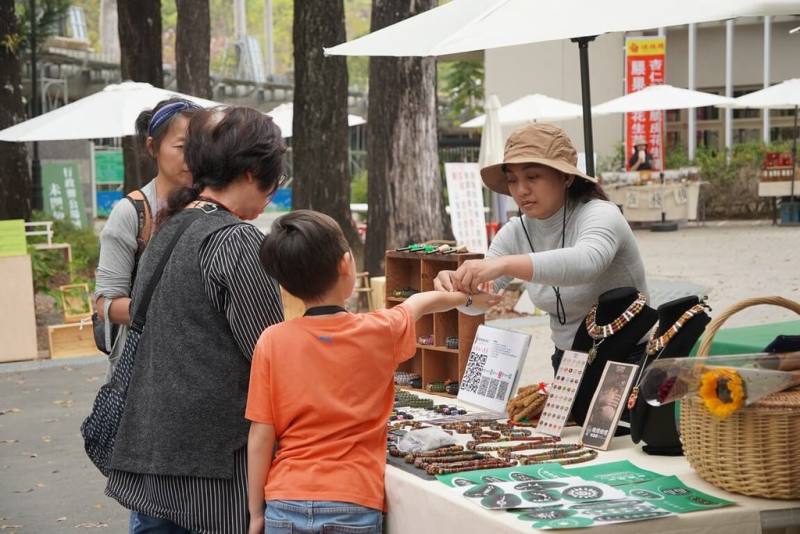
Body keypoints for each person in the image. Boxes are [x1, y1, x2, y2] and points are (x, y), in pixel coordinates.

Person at [246, 210, 500, 534]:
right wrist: (467, 297)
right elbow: (420, 303)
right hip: (353, 499)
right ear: (345, 265)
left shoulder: (272, 340)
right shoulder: (379, 330)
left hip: (285, 499)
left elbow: (260, 435)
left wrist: (256, 512)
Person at [104, 106, 287, 534]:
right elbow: (273, 359)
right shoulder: (236, 241)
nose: (272, 194)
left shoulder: (172, 224)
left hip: (150, 465)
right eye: (273, 179)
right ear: (249, 172)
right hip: (212, 481)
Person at [434, 123, 649, 374]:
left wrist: (504, 264)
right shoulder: (516, 231)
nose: (521, 190)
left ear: (566, 177)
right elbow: (479, 299)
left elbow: (588, 261)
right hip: (567, 361)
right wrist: (459, 287)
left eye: (533, 177)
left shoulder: (600, 213)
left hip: (629, 357)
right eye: (512, 180)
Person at [94, 97, 201, 379]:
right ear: (152, 146)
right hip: (144, 370)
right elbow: (105, 303)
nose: (191, 158)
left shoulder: (215, 206)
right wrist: (170, 312)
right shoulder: (132, 213)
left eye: (200, 148)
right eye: (181, 148)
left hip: (199, 366)